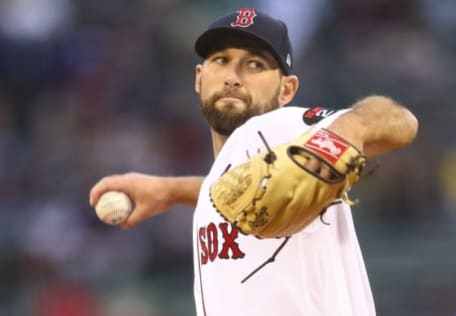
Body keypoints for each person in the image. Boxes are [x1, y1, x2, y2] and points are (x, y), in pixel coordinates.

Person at [89, 8, 418, 316]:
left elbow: (398, 119)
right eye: (221, 60)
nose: (233, 77)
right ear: (199, 78)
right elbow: (240, 191)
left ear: (287, 90)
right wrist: (173, 190)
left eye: (255, 65)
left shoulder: (276, 127)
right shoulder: (237, 171)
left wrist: (345, 131)